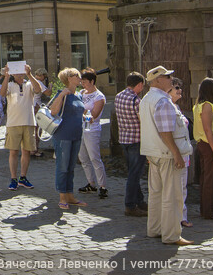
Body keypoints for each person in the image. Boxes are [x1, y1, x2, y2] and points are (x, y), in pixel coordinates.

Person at [139, 65, 193, 246]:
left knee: (156, 193)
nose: (171, 79)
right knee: (172, 194)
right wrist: (177, 154)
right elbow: (165, 132)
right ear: (157, 81)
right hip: (166, 154)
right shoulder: (162, 101)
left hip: (154, 152)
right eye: (167, 77)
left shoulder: (147, 99)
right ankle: (171, 235)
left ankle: (154, 229)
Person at [0, 64, 44, 190]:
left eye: (21, 72)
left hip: (29, 122)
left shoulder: (29, 84)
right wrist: (6, 77)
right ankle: (13, 178)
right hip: (13, 123)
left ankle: (23, 178)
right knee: (13, 151)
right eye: (17, 72)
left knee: (26, 151)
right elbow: (2, 93)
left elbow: (38, 89)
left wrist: (30, 74)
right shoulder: (9, 84)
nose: (19, 74)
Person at [48, 68, 86, 210]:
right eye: (76, 75)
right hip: (63, 135)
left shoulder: (79, 95)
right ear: (69, 78)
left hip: (76, 135)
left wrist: (86, 117)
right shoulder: (62, 93)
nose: (79, 77)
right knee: (63, 166)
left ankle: (70, 195)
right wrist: (61, 95)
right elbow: (53, 111)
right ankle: (62, 196)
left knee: (71, 167)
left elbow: (77, 112)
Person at [192, 77, 213, 222]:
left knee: (206, 178)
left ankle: (205, 209)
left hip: (204, 145)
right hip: (209, 145)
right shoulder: (207, 106)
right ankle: (211, 211)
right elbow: (207, 129)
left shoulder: (198, 106)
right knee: (211, 180)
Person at [115, 72, 147, 216]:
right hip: (136, 140)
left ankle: (140, 201)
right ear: (139, 85)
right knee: (134, 174)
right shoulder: (135, 100)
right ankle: (130, 204)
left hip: (124, 139)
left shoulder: (118, 96)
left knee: (132, 172)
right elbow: (143, 121)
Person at [77, 68, 108, 199]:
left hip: (92, 129)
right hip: (80, 129)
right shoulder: (81, 93)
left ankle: (103, 186)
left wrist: (80, 112)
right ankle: (91, 183)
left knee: (94, 158)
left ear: (92, 81)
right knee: (83, 157)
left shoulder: (99, 96)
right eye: (82, 82)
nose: (83, 84)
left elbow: (93, 116)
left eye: (85, 82)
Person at [167, 77, 192, 228]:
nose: (179, 90)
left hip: (183, 151)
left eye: (179, 87)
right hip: (176, 152)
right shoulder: (169, 107)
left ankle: (181, 215)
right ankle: (178, 217)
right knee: (177, 186)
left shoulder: (176, 107)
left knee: (182, 186)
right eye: (176, 87)